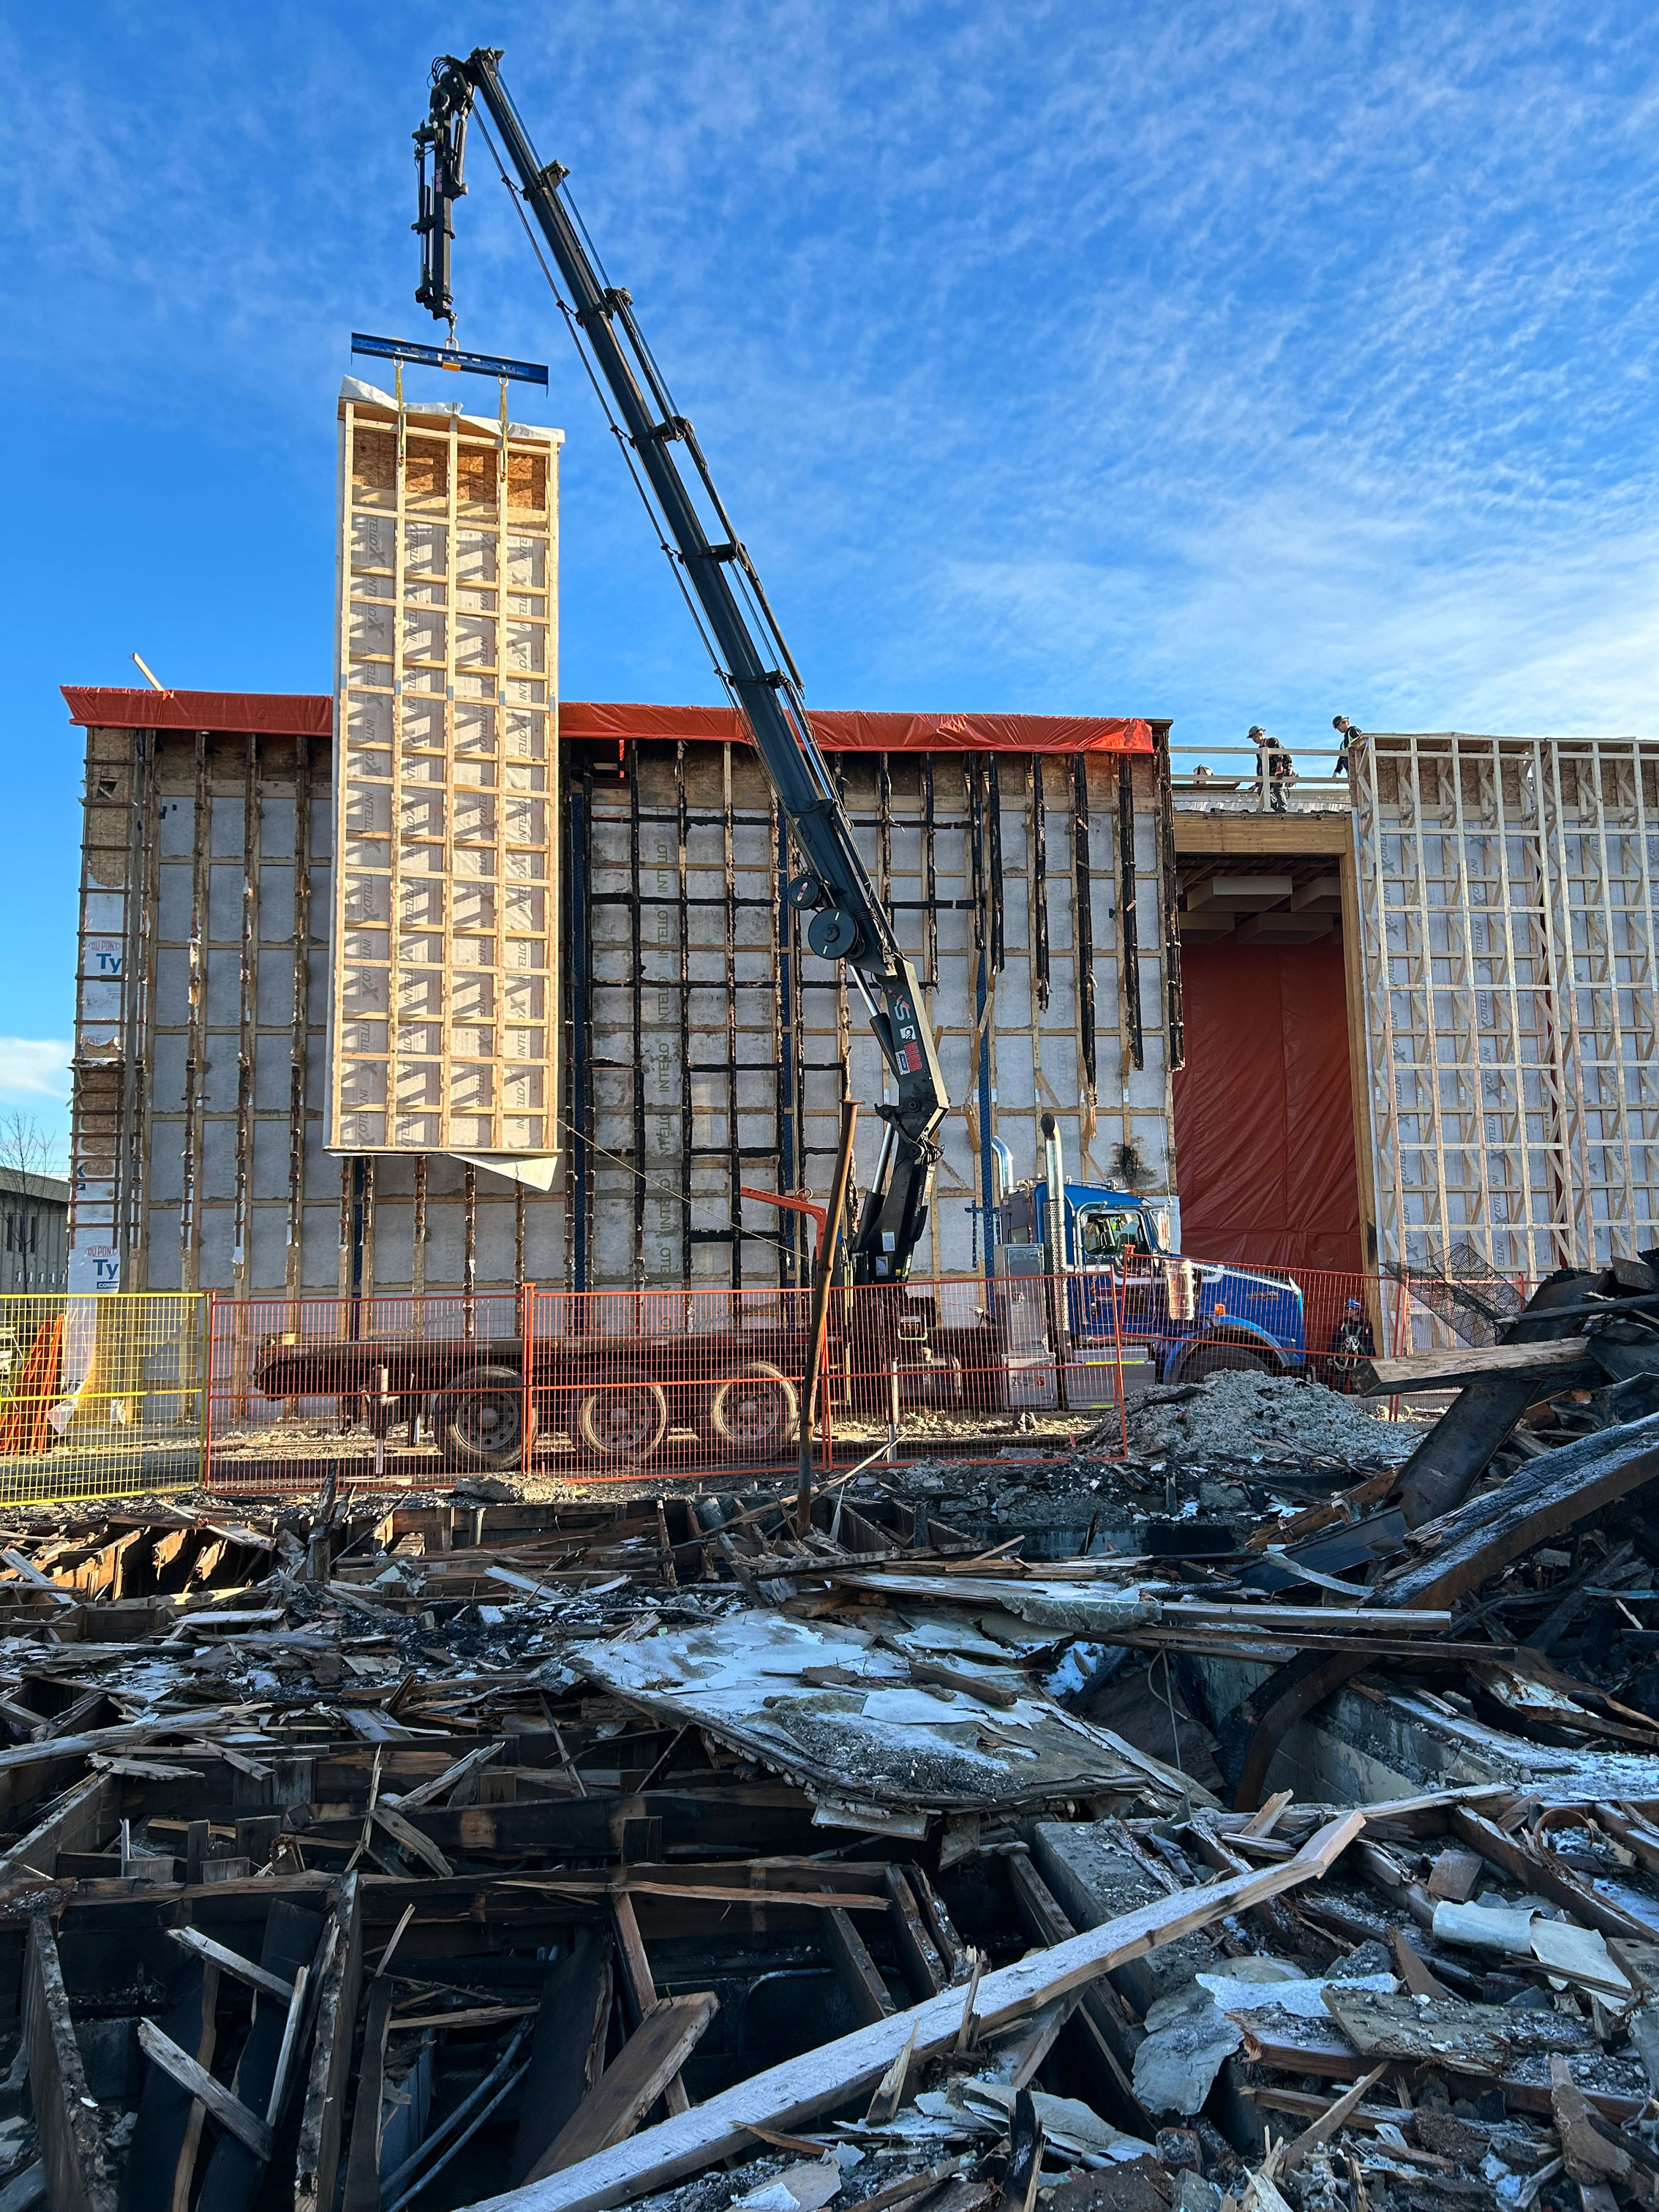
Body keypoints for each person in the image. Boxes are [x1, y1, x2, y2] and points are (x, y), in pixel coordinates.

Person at [1325, 1295, 1375, 1393]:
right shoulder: (1343, 1323)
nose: (1347, 1312)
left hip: (1359, 1360)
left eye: (1350, 1309)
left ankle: (1355, 1404)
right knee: (1340, 1382)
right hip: (1344, 1359)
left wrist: (1370, 1359)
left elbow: (1369, 1343)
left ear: (1356, 1311)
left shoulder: (1366, 1325)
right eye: (1347, 1309)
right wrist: (1330, 1355)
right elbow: (1336, 1340)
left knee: (1357, 1385)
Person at [1249, 725, 1293, 813]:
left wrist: (1280, 767)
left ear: (1261, 734)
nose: (1254, 739)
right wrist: (1257, 782)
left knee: (1277, 788)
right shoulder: (1259, 751)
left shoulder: (1272, 741)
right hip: (1269, 772)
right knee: (1261, 790)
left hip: (1280, 769)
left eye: (1255, 737)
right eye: (1253, 738)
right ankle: (1277, 806)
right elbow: (1260, 765)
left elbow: (1279, 754)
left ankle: (1283, 809)